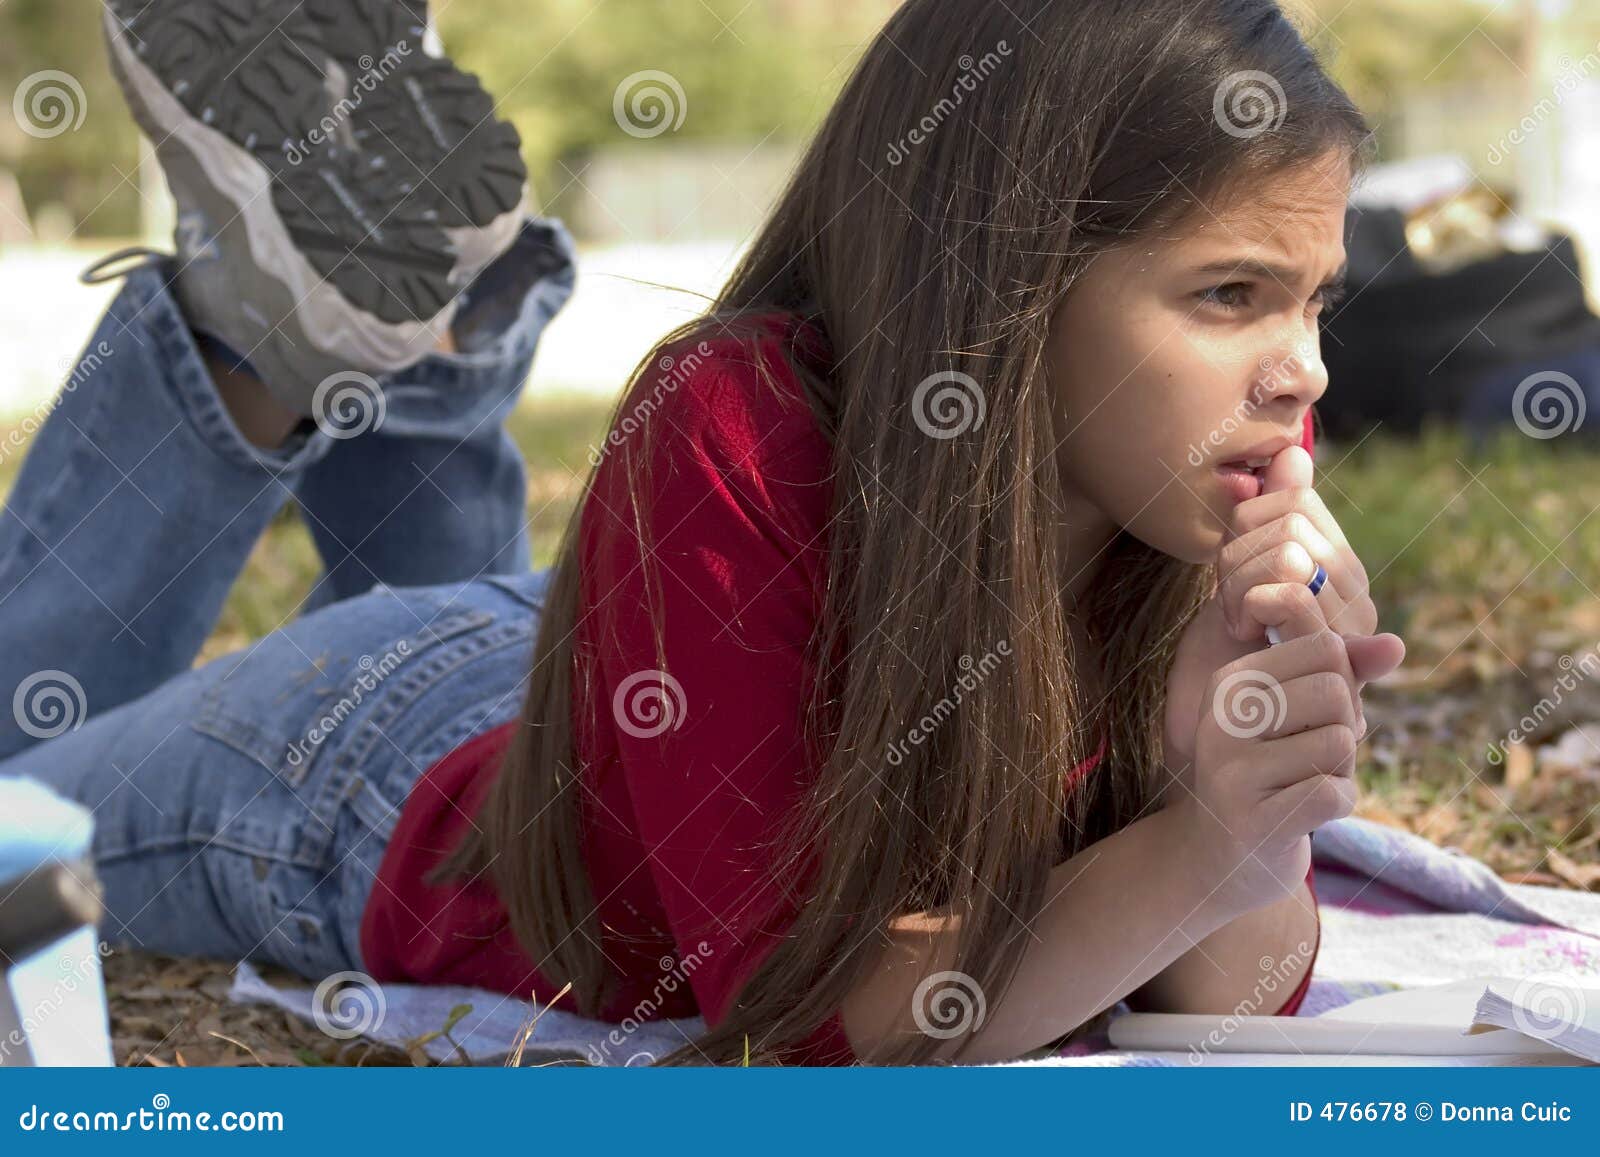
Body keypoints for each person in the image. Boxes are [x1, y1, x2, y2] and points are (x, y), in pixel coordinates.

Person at [1, 0, 1406, 1068]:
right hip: (377, 762)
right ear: (1007, 279)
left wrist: (1247, 805)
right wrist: (1199, 843)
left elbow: (1226, 1001)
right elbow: (812, 1027)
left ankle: (415, 318)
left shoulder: (1225, 462)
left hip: (629, 672)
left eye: (1315, 301)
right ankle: (260, 339)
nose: (1303, 371)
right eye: (1230, 293)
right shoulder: (728, 419)